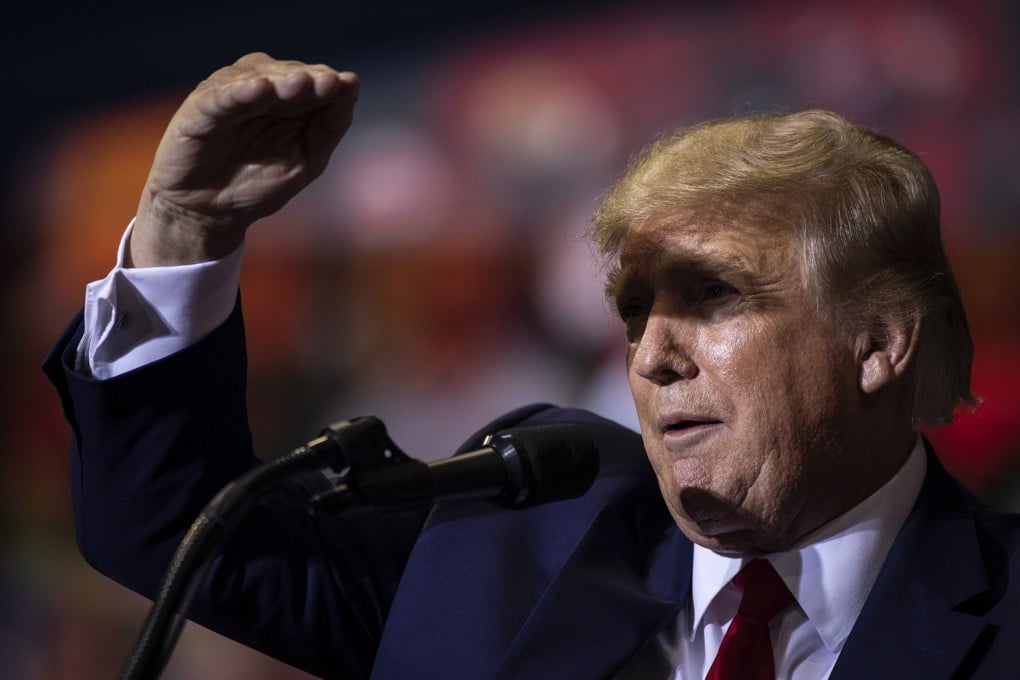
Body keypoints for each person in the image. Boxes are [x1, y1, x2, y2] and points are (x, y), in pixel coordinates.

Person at [44, 53, 1019, 679]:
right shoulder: (505, 552)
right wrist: (185, 232)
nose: (652, 354)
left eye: (714, 298)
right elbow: (172, 527)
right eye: (636, 311)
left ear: (882, 341)